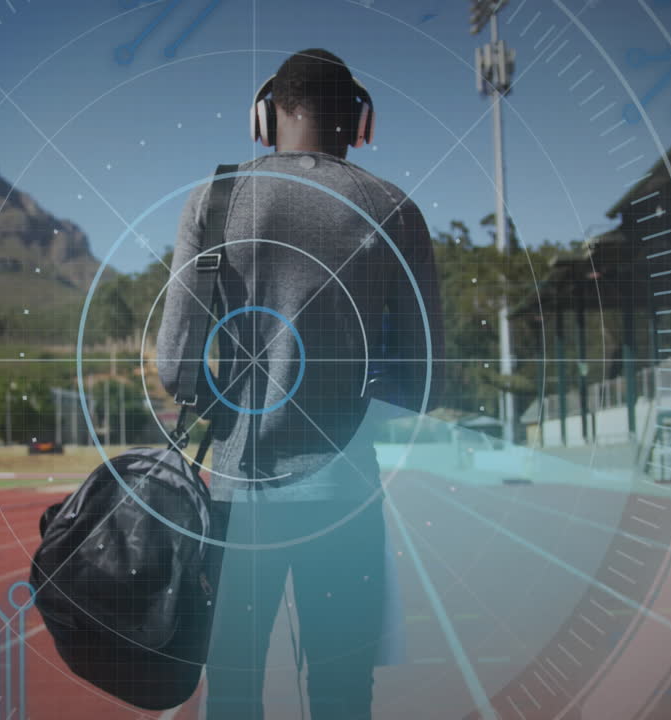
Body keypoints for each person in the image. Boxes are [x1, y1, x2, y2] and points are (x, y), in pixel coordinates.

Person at [156, 49, 445, 720]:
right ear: (358, 122)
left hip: (235, 498)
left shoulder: (214, 198)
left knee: (231, 694)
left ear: (265, 117)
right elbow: (421, 381)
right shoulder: (394, 208)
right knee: (343, 697)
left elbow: (176, 369)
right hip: (346, 495)